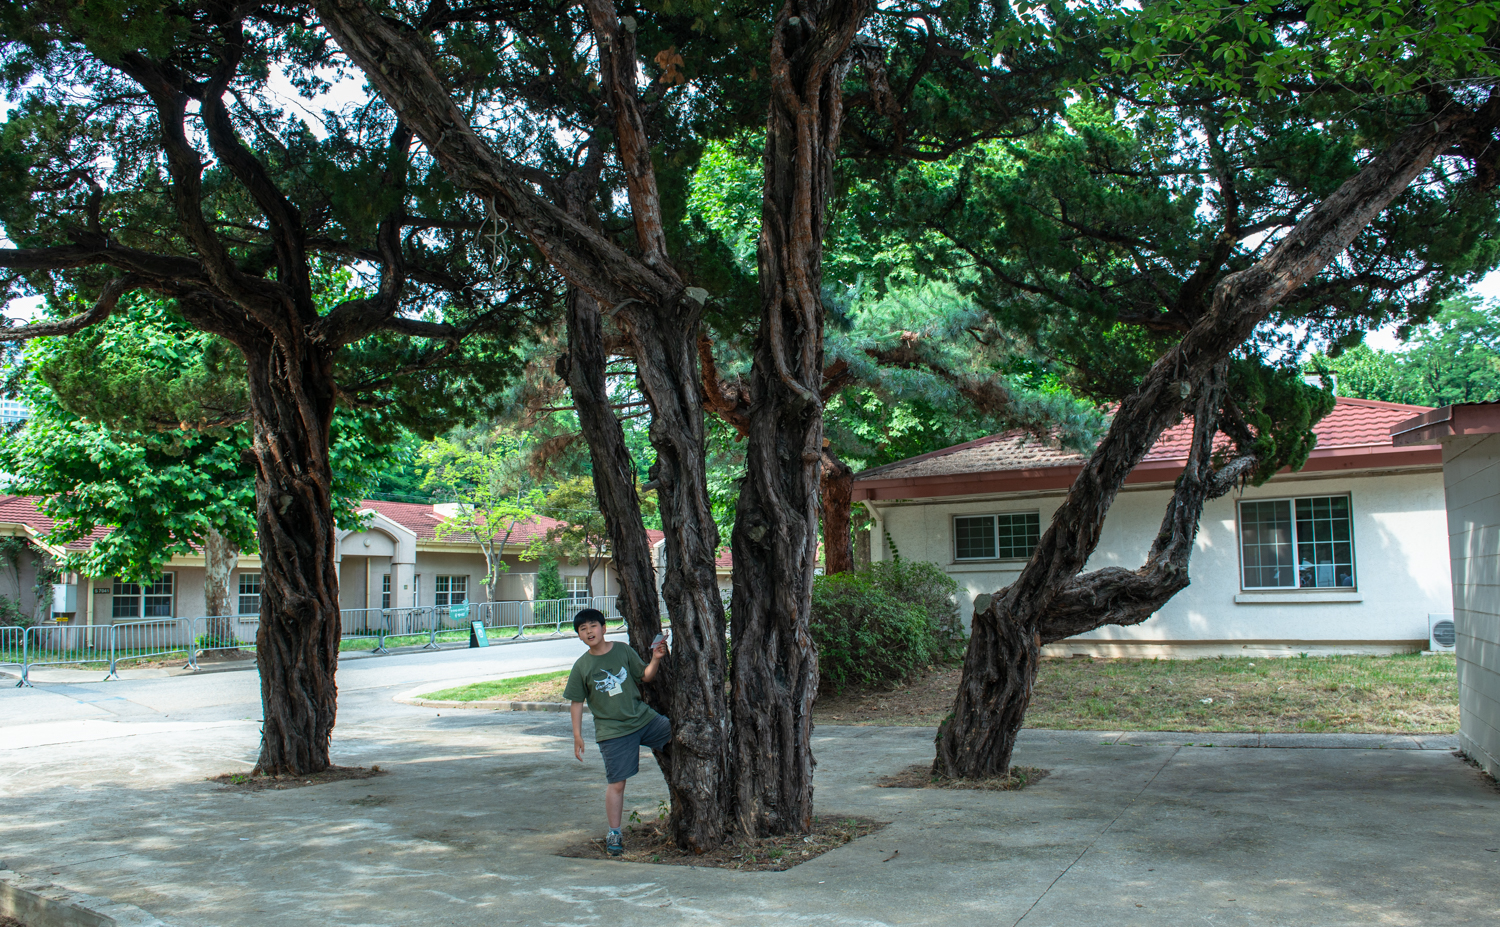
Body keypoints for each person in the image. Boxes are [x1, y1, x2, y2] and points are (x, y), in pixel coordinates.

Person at [563, 607, 669, 856]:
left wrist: (655, 658)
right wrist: (577, 735)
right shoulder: (582, 666)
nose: (589, 631)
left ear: (604, 627)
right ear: (578, 635)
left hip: (643, 719)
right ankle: (614, 832)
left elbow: (645, 676)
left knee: (682, 737)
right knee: (617, 784)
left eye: (593, 626)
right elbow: (576, 703)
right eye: (582, 629)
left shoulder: (622, 650)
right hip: (613, 732)